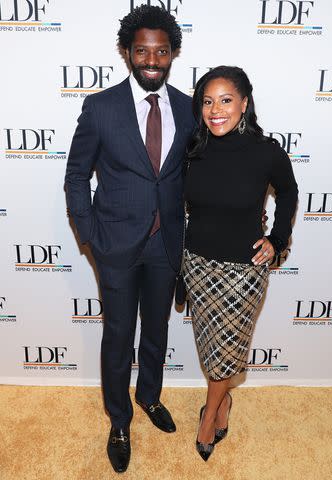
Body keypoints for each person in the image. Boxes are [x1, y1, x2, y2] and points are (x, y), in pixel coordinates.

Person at [64, 5, 195, 473]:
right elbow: (77, 176)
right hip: (115, 246)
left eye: (162, 50)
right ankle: (119, 420)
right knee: (119, 337)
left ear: (173, 52)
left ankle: (150, 397)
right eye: (142, 50)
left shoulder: (187, 106)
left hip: (167, 246)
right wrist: (90, 235)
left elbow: (194, 176)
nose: (152, 59)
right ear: (127, 52)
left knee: (157, 332)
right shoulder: (100, 107)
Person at [183, 66, 298, 461]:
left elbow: (289, 190)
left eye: (226, 100)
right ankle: (224, 403)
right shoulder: (192, 148)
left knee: (226, 351)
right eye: (208, 101)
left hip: (243, 271)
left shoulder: (266, 151)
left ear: (244, 103)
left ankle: (210, 412)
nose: (216, 110)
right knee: (210, 346)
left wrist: (278, 239)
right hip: (196, 264)